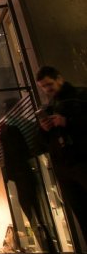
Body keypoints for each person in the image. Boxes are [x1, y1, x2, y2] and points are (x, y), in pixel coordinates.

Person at [36, 65, 87, 239]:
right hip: (64, 165)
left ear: (59, 78)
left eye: (49, 84)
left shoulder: (80, 96)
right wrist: (44, 129)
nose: (47, 89)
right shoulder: (50, 106)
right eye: (43, 87)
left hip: (82, 159)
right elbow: (43, 142)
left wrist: (67, 122)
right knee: (80, 212)